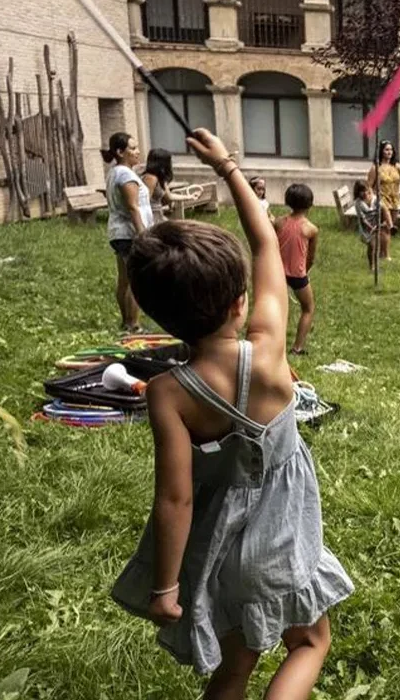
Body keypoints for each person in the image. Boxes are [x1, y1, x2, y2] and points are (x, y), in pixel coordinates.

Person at [112, 128, 353, 696]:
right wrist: (227, 167)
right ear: (240, 302)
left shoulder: (168, 393)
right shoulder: (268, 353)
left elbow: (174, 499)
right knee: (310, 642)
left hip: (219, 547)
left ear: (158, 316)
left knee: (236, 664)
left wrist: (166, 588)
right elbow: (266, 244)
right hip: (282, 539)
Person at [103, 132, 153, 333]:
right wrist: (142, 234)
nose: (137, 151)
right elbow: (133, 207)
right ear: (120, 152)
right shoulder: (125, 175)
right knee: (136, 280)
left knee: (124, 279)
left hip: (118, 232)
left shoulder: (115, 172)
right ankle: (133, 325)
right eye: (132, 148)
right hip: (130, 234)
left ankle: (126, 323)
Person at [275, 184, 318, 356]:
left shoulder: (278, 222)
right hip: (298, 275)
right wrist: (305, 271)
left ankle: (274, 343)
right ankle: (297, 348)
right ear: (310, 203)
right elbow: (311, 257)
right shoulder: (311, 229)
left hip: (277, 272)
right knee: (308, 308)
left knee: (276, 308)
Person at [367, 140, 400, 261]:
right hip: (382, 200)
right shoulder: (376, 168)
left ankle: (381, 252)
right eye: (387, 149)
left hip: (395, 200)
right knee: (386, 226)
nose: (389, 152)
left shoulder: (396, 166)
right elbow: (369, 186)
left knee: (388, 228)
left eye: (391, 149)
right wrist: (373, 200)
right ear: (381, 151)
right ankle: (386, 255)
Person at [353, 179, 391, 273]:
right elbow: (363, 220)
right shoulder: (358, 203)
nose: (365, 193)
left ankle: (377, 263)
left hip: (375, 223)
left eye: (366, 190)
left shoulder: (374, 198)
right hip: (366, 227)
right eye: (362, 191)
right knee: (371, 245)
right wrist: (371, 228)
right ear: (358, 193)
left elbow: (382, 208)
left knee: (377, 244)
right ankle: (372, 266)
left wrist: (384, 221)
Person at [141, 148, 173, 222]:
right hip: (152, 217)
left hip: (159, 214)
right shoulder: (150, 178)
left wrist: (190, 196)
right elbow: (145, 201)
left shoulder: (158, 178)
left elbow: (169, 197)